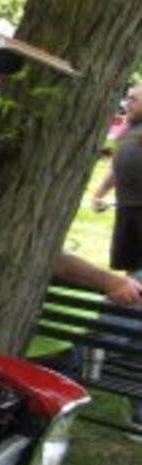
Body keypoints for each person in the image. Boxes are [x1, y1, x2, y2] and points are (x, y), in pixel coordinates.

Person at [90, 82, 142, 429]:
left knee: (132, 291)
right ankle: (112, 357)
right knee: (131, 286)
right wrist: (100, 191)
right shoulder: (130, 131)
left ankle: (94, 353)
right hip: (130, 216)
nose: (129, 101)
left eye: (136, 97)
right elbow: (117, 166)